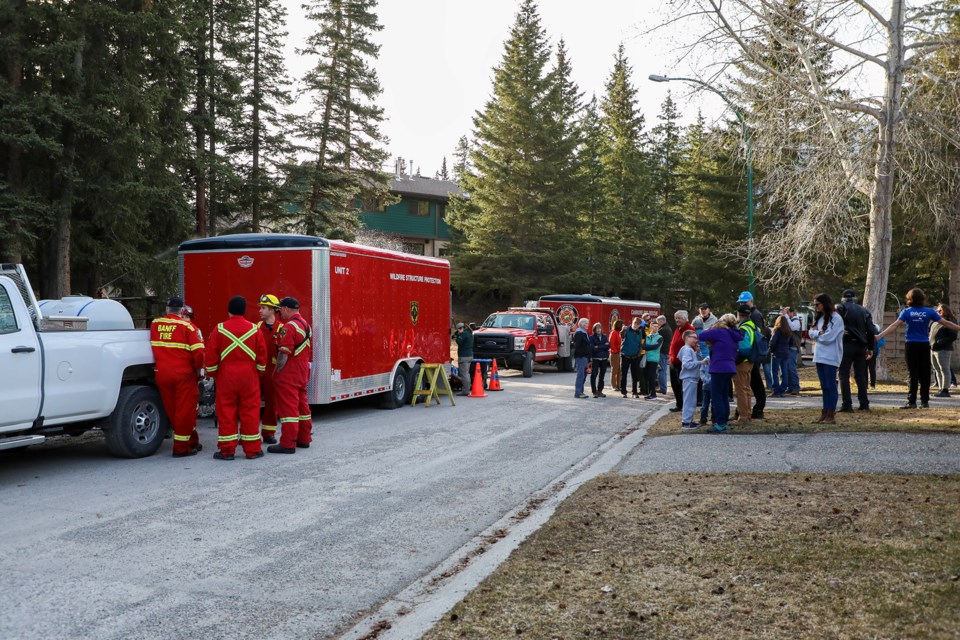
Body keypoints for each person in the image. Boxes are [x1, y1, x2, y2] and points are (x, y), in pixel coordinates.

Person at [204, 296, 266, 460]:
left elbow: (210, 357)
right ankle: (252, 450)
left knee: (226, 412)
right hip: (249, 377)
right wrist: (257, 374)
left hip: (227, 376)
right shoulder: (254, 329)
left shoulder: (220, 329)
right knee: (250, 411)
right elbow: (262, 357)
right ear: (244, 310)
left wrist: (214, 375)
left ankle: (227, 451)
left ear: (229, 311)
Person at [878, 288, 960, 409]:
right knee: (925, 373)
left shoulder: (907, 312)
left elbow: (894, 325)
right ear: (922, 299)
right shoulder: (929, 312)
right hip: (924, 345)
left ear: (909, 299)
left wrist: (879, 336)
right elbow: (946, 323)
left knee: (913, 373)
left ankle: (911, 402)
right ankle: (925, 401)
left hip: (911, 345)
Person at [150, 296, 205, 457]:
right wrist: (197, 370)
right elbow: (199, 354)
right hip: (184, 376)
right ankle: (181, 448)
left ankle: (192, 441)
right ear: (182, 311)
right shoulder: (188, 327)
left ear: (167, 309)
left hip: (162, 374)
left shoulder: (155, 324)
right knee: (185, 411)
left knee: (173, 410)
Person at [270, 297, 313, 453]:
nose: (280, 313)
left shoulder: (289, 327)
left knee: (289, 411)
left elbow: (284, 354)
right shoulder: (305, 324)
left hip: (289, 374)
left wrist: (276, 372)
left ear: (286, 309)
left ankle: (288, 443)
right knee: (302, 408)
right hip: (302, 373)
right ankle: (304, 439)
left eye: (280, 309)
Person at [698, 314, 742, 432]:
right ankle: (724, 421)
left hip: (719, 367)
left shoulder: (719, 331)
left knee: (717, 396)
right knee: (724, 396)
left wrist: (713, 327)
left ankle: (720, 423)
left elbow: (701, 336)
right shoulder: (734, 334)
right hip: (730, 367)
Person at [836, 289, 875, 412]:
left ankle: (847, 404)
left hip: (846, 343)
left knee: (843, 374)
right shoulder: (864, 310)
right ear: (855, 298)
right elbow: (871, 330)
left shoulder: (840, 308)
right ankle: (864, 404)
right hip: (861, 345)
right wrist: (870, 347)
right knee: (860, 375)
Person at [808, 293, 844, 424]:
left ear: (825, 303)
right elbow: (810, 333)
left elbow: (829, 338)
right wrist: (818, 333)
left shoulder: (836, 318)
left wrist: (818, 335)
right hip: (819, 356)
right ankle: (824, 412)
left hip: (831, 356)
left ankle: (831, 413)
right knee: (824, 386)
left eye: (817, 304)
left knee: (830, 385)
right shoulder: (819, 318)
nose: (816, 307)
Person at [736, 291, 768, 419]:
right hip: (752, 354)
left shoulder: (754, 315)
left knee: (752, 384)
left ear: (751, 301)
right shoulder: (751, 314)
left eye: (744, 302)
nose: (742, 304)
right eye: (741, 302)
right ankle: (748, 410)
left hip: (750, 354)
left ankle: (756, 409)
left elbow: (757, 337)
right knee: (749, 384)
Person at [257, 294, 283, 444]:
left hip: (273, 372)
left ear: (273, 310)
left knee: (272, 404)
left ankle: (268, 433)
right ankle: (249, 433)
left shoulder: (281, 329)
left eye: (264, 308)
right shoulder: (255, 328)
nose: (260, 311)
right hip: (257, 371)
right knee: (251, 403)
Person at [668, 310, 696, 412]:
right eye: (676, 318)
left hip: (682, 363)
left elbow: (693, 345)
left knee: (683, 385)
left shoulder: (689, 329)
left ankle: (685, 406)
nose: (677, 320)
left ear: (685, 319)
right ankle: (679, 404)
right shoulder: (677, 329)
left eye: (679, 318)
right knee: (675, 384)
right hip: (673, 361)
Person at [733, 305, 757, 424]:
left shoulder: (743, 328)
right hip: (750, 362)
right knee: (746, 389)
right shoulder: (752, 325)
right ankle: (748, 414)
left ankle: (743, 417)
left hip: (742, 362)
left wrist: (735, 360)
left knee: (740, 391)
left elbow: (743, 348)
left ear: (739, 314)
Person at [930, 304, 957, 398]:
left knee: (944, 369)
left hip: (943, 349)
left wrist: (939, 343)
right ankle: (940, 388)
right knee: (937, 369)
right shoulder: (935, 322)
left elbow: (953, 336)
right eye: (936, 311)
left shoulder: (950, 322)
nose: (937, 312)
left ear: (945, 311)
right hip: (933, 349)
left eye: (939, 311)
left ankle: (945, 389)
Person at [678, 330, 703, 430]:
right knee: (689, 401)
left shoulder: (688, 349)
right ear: (687, 338)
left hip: (691, 378)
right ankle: (686, 422)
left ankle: (689, 420)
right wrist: (700, 362)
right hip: (689, 378)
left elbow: (680, 357)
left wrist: (696, 352)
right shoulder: (687, 350)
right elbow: (687, 364)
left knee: (691, 400)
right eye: (694, 337)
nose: (696, 340)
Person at [768, 315, 792, 398]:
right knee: (784, 372)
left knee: (774, 372)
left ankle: (776, 390)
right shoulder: (788, 331)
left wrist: (770, 349)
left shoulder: (777, 330)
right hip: (785, 353)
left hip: (777, 353)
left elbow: (773, 341)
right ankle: (782, 389)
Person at [620, 317, 644, 398]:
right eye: (635, 323)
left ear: (639, 325)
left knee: (635, 375)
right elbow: (622, 336)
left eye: (638, 324)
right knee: (624, 374)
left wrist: (639, 353)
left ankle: (634, 392)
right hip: (625, 355)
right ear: (633, 322)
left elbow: (640, 343)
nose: (636, 325)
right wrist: (623, 330)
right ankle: (624, 391)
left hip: (635, 356)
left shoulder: (639, 332)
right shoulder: (626, 329)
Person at [642, 317, 665, 399]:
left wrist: (647, 347)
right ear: (651, 327)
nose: (655, 328)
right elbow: (643, 346)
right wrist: (647, 347)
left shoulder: (660, 337)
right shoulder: (648, 336)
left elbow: (656, 346)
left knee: (652, 377)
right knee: (647, 376)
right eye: (654, 326)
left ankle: (653, 394)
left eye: (657, 326)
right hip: (647, 359)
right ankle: (650, 393)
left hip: (654, 359)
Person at [589, 322, 611, 398]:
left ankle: (600, 391)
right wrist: (603, 346)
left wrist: (598, 347)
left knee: (602, 376)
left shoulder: (605, 336)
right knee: (594, 375)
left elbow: (608, 346)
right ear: (594, 330)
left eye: (599, 328)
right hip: (595, 359)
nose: (598, 330)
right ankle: (594, 391)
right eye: (597, 328)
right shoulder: (591, 337)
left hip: (604, 359)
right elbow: (592, 348)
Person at [783, 307, 802, 394]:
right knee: (787, 368)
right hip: (787, 347)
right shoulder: (788, 320)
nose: (787, 315)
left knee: (791, 367)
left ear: (791, 313)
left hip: (793, 347)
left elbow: (793, 327)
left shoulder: (796, 321)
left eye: (788, 313)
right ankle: (790, 386)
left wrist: (786, 317)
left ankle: (796, 386)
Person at [573, 318, 591, 399]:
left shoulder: (584, 333)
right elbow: (577, 345)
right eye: (586, 323)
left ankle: (581, 391)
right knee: (580, 375)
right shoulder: (579, 332)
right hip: (581, 357)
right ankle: (578, 392)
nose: (587, 325)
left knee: (584, 375)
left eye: (588, 323)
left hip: (585, 357)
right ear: (582, 324)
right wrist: (582, 355)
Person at [455, 322, 474, 397]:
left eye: (458, 329)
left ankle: (465, 391)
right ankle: (467, 388)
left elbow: (458, 341)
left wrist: (458, 335)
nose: (458, 331)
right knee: (467, 373)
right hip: (469, 355)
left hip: (464, 356)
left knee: (464, 375)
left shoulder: (464, 334)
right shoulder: (469, 333)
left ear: (460, 328)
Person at [698, 335, 713, 426]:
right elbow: (702, 371)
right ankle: (703, 418)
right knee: (705, 403)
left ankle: (714, 417)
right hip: (706, 385)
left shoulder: (715, 360)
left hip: (713, 384)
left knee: (714, 402)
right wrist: (704, 379)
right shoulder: (706, 360)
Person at [657, 314, 673, 394]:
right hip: (666, 351)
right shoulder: (668, 328)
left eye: (658, 322)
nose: (658, 324)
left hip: (662, 351)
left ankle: (663, 388)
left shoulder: (663, 330)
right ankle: (663, 387)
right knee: (664, 371)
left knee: (661, 370)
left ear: (662, 321)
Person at [868, 323, 884, 390]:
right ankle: (870, 385)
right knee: (869, 369)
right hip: (872, 351)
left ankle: (871, 385)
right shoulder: (875, 327)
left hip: (872, 351)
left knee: (870, 369)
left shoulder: (876, 328)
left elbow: (882, 342)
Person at [609, 319, 623, 391]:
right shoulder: (614, 332)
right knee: (614, 370)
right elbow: (611, 343)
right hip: (615, 353)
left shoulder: (619, 333)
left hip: (619, 353)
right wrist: (615, 350)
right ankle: (614, 385)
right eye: (622, 325)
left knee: (619, 370)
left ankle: (619, 384)